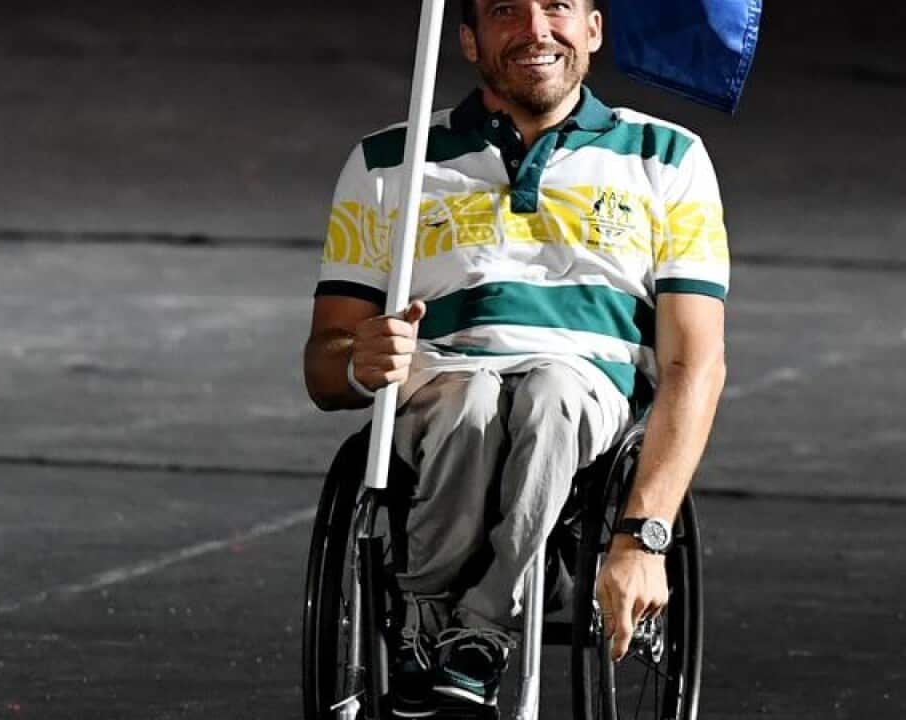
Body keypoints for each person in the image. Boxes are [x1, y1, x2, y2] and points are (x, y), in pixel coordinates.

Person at [303, 0, 727, 715]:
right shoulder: (388, 161)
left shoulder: (668, 157)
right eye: (508, 10)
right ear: (469, 40)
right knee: (471, 399)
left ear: (593, 29)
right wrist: (357, 360)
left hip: (586, 383)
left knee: (551, 392)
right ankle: (433, 623)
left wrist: (642, 538)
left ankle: (475, 631)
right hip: (443, 379)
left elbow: (696, 365)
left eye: (557, 6)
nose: (536, 29)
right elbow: (325, 365)